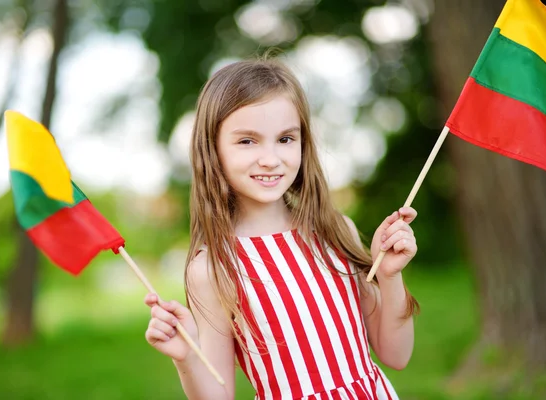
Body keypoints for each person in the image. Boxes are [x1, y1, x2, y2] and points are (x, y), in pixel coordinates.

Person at [144, 57, 419, 400]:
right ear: (213, 150)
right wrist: (187, 355)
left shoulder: (335, 231)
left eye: (285, 139)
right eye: (248, 141)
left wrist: (390, 277)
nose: (271, 158)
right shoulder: (213, 269)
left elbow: (396, 354)